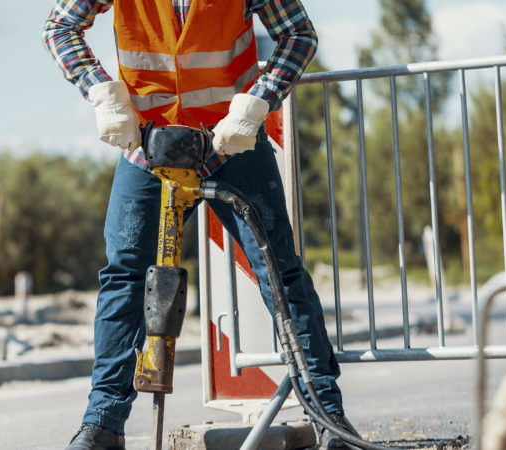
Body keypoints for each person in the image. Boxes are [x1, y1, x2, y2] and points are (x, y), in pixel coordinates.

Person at [43, 1, 359, 449]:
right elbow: (60, 28)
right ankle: (103, 424)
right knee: (125, 277)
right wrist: (99, 91)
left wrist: (258, 103)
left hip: (231, 140)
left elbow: (298, 36)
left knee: (280, 274)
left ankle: (330, 419)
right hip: (149, 144)